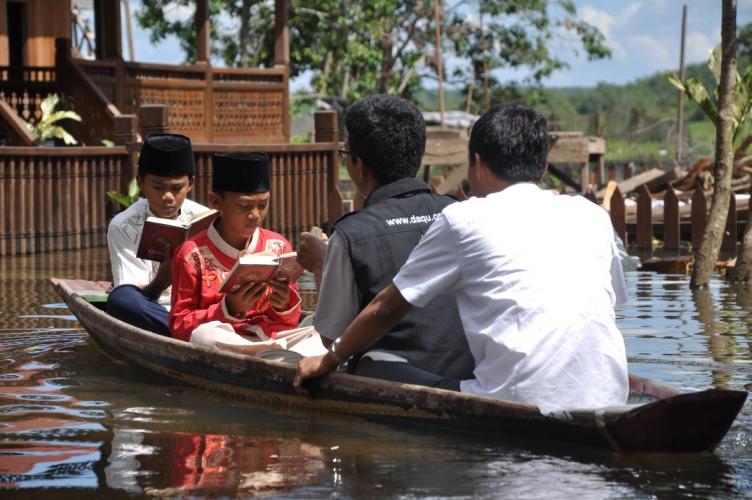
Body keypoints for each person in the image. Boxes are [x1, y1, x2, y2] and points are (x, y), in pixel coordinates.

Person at [294, 102, 629, 413]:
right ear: (543, 167)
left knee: (372, 362)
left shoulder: (463, 219)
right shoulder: (591, 215)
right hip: (611, 395)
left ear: (478, 164)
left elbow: (386, 308)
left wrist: (330, 359)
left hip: (515, 400)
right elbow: (609, 305)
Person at [297, 94, 474, 388]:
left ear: (357, 164)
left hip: (391, 378)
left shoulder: (351, 233)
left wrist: (321, 264)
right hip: (471, 375)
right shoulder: (459, 214)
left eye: (345, 153)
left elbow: (332, 337)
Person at [169, 152, 301, 343]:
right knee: (204, 336)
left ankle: (267, 354)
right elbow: (179, 326)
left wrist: (284, 304)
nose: (255, 215)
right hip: (224, 340)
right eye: (244, 206)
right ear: (216, 202)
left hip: (270, 338)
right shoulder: (191, 254)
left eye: (263, 204)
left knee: (316, 334)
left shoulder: (279, 246)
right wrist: (227, 308)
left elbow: (291, 321)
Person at [107, 134, 207, 336]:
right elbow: (134, 298)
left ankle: (195, 331)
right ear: (141, 182)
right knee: (121, 300)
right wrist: (162, 281)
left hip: (201, 311)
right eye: (158, 187)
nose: (167, 196)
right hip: (156, 314)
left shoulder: (205, 219)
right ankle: (191, 334)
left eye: (177, 188)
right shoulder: (123, 225)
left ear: (191, 184)